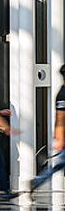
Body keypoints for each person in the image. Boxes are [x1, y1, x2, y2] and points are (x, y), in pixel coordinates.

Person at [31, 64, 65, 192]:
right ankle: (37, 181)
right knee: (60, 162)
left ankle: (37, 181)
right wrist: (59, 138)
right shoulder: (62, 94)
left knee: (60, 163)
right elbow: (60, 118)